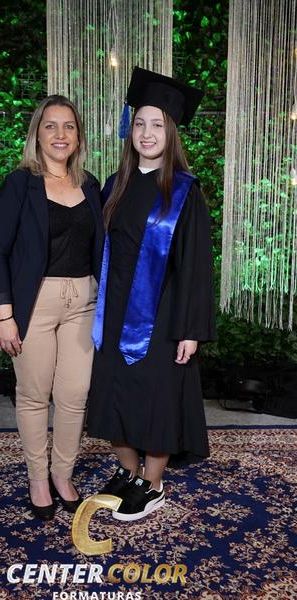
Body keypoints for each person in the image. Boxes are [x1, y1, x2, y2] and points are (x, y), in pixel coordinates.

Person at [87, 67, 216, 522]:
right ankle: (129, 472)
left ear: (171, 132)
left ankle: (154, 483)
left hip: (163, 314)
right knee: (113, 392)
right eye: (139, 123)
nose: (146, 133)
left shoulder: (184, 192)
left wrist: (190, 330)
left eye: (157, 124)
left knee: (155, 398)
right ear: (130, 130)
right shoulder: (114, 184)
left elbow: (196, 267)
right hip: (114, 308)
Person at [0, 95, 104, 521]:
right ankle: (38, 478)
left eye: (68, 126)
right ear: (37, 134)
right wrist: (5, 315)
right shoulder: (20, 184)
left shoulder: (90, 185)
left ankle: (62, 474)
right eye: (50, 126)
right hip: (33, 303)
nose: (60, 134)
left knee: (75, 394)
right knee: (34, 394)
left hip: (83, 300)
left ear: (78, 136)